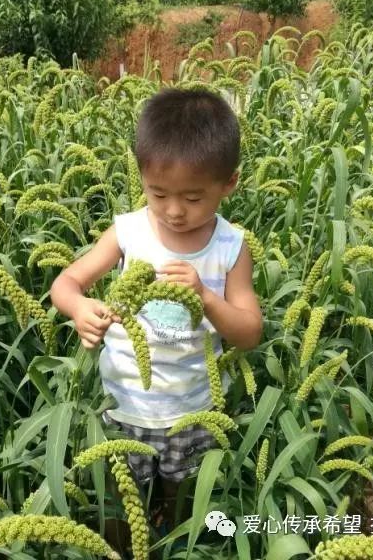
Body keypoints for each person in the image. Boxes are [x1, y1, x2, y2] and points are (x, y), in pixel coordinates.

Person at [49, 87, 263, 552]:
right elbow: (67, 282)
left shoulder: (231, 248)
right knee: (119, 503)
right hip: (123, 408)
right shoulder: (129, 231)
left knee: (182, 494)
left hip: (195, 410)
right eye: (158, 193)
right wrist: (80, 307)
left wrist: (207, 298)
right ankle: (121, 547)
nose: (172, 211)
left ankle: (173, 532)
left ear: (229, 184)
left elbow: (249, 332)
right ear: (141, 177)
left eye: (192, 198)